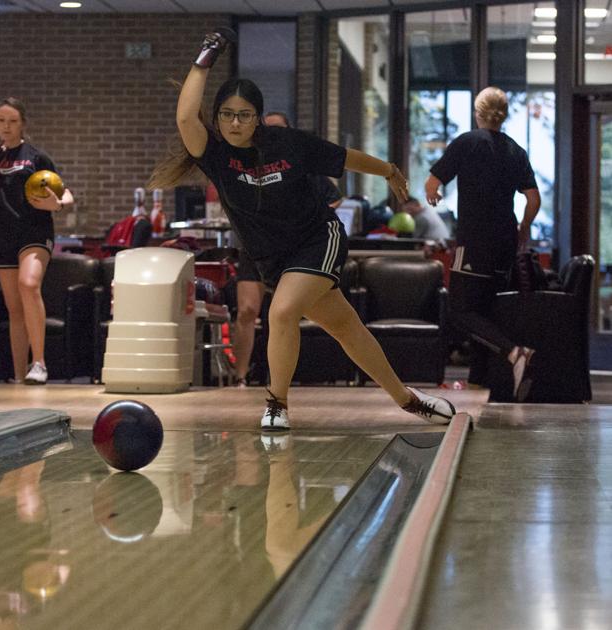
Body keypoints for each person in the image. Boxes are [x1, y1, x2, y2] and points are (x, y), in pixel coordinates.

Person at [150, 30, 455, 430]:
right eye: (227, 114)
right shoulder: (215, 154)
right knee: (346, 328)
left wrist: (390, 170)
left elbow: (343, 158)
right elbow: (186, 116)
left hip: (318, 239)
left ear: (257, 117)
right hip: (273, 258)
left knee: (282, 311)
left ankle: (277, 404)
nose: (235, 122)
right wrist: (205, 56)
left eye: (244, 115)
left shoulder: (287, 143)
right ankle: (407, 399)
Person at [425, 86, 540, 400]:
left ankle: (515, 353)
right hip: (505, 243)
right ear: (503, 114)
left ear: (479, 112)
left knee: (460, 310)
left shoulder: (467, 142)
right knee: (485, 311)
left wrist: (432, 192)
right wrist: (525, 227)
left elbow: (432, 182)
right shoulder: (516, 150)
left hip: (475, 241)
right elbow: (533, 198)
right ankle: (477, 381)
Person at [232, 111, 343, 387]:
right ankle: (240, 377)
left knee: (283, 312)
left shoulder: (299, 164)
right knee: (247, 310)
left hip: (293, 250)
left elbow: (334, 198)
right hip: (255, 246)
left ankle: (278, 387)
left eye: (278, 130)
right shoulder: (243, 166)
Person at [0, 98, 74, 385]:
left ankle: (39, 362)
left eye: (12, 121)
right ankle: (19, 376)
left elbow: (66, 195)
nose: (6, 126)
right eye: (1, 120)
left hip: (35, 233)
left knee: (29, 284)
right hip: (3, 236)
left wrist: (57, 205)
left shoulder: (36, 157)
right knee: (15, 309)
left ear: (22, 123)